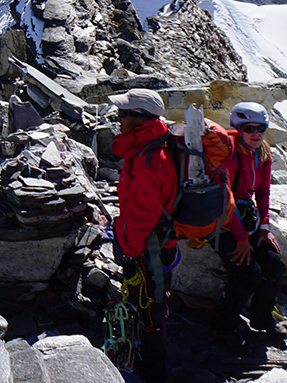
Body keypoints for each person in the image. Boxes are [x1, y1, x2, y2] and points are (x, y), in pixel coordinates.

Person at [109, 88, 176, 382]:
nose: (118, 117)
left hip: (150, 247)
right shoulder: (148, 146)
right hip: (157, 244)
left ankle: (153, 370)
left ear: (141, 119)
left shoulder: (151, 160)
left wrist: (127, 250)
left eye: (124, 113)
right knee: (151, 302)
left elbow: (144, 216)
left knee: (151, 308)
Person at [211, 101, 285, 339]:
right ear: (237, 128)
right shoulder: (228, 155)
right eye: (249, 128)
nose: (256, 134)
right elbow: (224, 198)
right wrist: (242, 239)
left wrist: (264, 227)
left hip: (244, 219)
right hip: (219, 223)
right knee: (248, 273)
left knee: (275, 265)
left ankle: (262, 318)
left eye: (261, 128)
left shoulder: (262, 153)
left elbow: (263, 191)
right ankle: (225, 325)